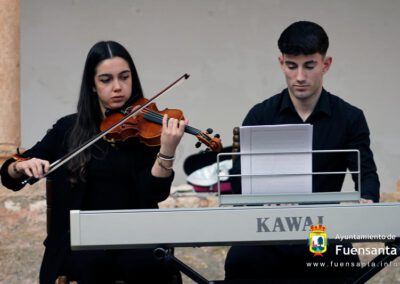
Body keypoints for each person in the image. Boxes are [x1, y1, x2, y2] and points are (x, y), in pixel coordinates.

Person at [0, 41, 187, 284]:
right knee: (92, 263)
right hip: (78, 243)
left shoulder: (144, 130)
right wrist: (20, 166)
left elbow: (154, 193)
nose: (118, 87)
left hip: (134, 239)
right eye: (106, 79)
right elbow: (9, 175)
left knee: (149, 264)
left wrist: (167, 151)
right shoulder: (67, 129)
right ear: (92, 85)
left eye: (124, 77)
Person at [224, 21, 380, 283]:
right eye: (291, 65)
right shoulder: (260, 115)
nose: (299, 77)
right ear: (281, 62)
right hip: (268, 231)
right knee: (242, 259)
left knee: (337, 263)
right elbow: (237, 179)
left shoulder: (350, 118)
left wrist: (366, 200)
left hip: (320, 231)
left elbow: (366, 173)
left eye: (309, 65)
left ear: (325, 64)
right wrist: (258, 199)